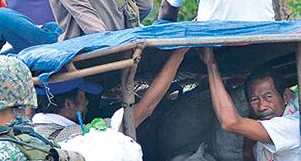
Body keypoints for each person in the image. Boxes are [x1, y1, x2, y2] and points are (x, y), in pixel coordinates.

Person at [32, 49, 189, 142]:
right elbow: (145, 109)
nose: (87, 100)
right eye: (82, 95)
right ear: (68, 104)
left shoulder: (33, 131)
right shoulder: (77, 134)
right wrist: (179, 54)